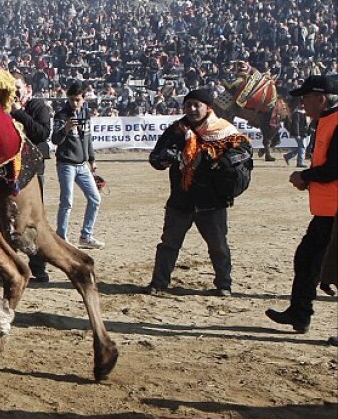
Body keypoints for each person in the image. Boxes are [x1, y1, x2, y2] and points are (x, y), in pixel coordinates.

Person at [143, 88, 252, 297]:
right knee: (168, 245)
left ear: (207, 107)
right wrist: (162, 160)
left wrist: (220, 161)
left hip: (212, 201)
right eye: (188, 105)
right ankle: (158, 283)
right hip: (181, 199)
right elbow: (155, 156)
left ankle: (224, 285)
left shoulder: (223, 130)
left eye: (197, 105)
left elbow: (245, 151)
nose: (192, 109)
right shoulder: (176, 130)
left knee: (218, 246)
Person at [266, 75, 338, 334]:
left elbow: (333, 168)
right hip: (327, 211)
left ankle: (300, 313)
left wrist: (304, 176)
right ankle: (299, 313)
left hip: (334, 212)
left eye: (305, 98)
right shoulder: (326, 121)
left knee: (315, 262)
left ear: (320, 99)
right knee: (308, 259)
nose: (301, 104)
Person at [10, 71, 53, 282]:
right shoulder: (5, 107)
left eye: (18, 86)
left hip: (34, 173)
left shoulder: (39, 107)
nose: (15, 90)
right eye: (12, 87)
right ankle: (8, 266)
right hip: (10, 173)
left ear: (28, 88)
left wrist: (19, 113)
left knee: (33, 220)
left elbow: (42, 133)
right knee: (7, 219)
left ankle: (38, 268)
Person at [51, 81, 103, 249]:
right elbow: (55, 140)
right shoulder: (62, 116)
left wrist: (92, 160)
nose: (74, 103)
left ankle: (86, 235)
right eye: (72, 99)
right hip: (66, 164)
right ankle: (61, 237)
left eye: (77, 100)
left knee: (95, 198)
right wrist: (65, 129)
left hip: (82, 165)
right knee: (67, 201)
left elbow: (87, 139)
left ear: (83, 99)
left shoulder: (85, 115)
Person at [282, 100, 309, 168]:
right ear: (299, 104)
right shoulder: (297, 113)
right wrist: (297, 134)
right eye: (302, 104)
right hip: (299, 133)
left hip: (303, 133)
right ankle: (300, 162)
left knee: (300, 148)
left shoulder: (304, 113)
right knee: (302, 147)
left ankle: (288, 156)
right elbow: (295, 125)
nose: (303, 106)